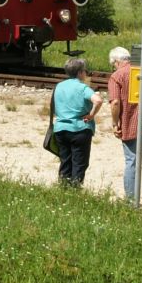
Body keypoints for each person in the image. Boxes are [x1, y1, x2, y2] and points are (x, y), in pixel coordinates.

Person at [107, 45, 142, 207]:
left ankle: (131, 202)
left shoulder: (116, 76)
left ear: (117, 62)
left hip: (130, 125)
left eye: (113, 64)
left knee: (131, 162)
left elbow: (115, 103)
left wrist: (115, 122)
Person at [50, 56, 101, 187]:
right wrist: (91, 115)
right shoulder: (82, 87)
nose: (86, 73)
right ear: (79, 72)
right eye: (85, 70)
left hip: (61, 129)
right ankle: (75, 190)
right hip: (80, 129)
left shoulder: (59, 86)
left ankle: (63, 188)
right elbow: (98, 100)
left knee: (65, 162)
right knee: (79, 163)